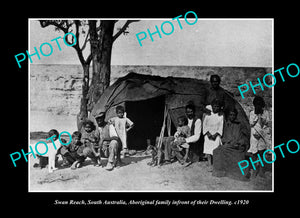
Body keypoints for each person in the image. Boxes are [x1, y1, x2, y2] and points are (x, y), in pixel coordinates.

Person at [212, 107, 249, 181]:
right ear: (228, 116)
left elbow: (245, 138)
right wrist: (227, 142)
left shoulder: (240, 125)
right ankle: (220, 172)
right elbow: (224, 137)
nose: (232, 116)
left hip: (238, 146)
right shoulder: (227, 124)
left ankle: (235, 173)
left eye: (233, 115)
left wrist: (239, 142)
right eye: (230, 115)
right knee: (216, 151)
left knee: (224, 149)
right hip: (229, 145)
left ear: (236, 116)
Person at [247, 96, 271, 177]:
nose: (258, 106)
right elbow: (251, 124)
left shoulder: (266, 113)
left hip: (262, 135)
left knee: (262, 152)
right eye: (257, 105)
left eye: (260, 105)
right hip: (254, 135)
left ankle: (261, 170)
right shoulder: (252, 113)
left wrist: (262, 118)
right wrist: (256, 117)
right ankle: (254, 170)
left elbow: (267, 124)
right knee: (254, 153)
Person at [202, 99, 224, 172]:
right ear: (212, 107)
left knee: (216, 147)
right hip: (208, 135)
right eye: (214, 106)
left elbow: (221, 126)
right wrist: (208, 134)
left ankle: (215, 164)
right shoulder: (208, 116)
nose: (216, 108)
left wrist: (216, 134)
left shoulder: (220, 117)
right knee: (208, 148)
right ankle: (209, 163)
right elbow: (204, 125)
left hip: (216, 135)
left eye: (218, 106)